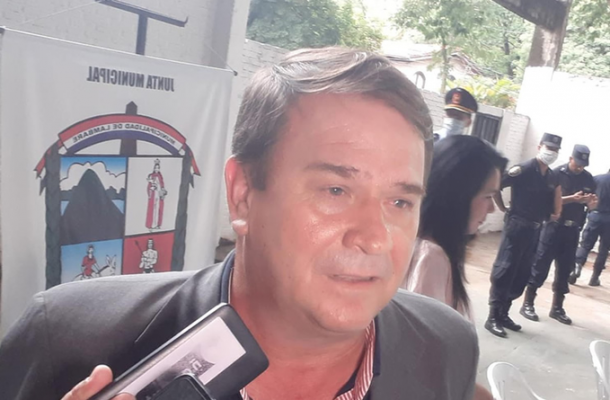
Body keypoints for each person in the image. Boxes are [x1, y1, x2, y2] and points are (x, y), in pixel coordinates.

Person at [0, 48, 479, 400]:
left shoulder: (447, 347)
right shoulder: (65, 338)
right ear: (243, 194)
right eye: (336, 191)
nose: (374, 237)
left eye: (400, 201)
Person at [402, 135, 507, 400]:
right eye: (487, 196)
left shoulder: (421, 246)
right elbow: (422, 363)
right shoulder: (431, 258)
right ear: (457, 196)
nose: (492, 209)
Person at [485, 133, 563, 338]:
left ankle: (504, 313)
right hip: (517, 225)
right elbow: (497, 185)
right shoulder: (524, 169)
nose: (551, 152)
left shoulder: (551, 176)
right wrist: (503, 208)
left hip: (536, 229)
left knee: (522, 272)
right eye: (549, 148)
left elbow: (553, 203)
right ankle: (492, 316)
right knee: (506, 268)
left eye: (555, 150)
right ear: (540, 146)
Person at [520, 145, 597, 325]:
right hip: (553, 227)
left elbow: (590, 205)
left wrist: (591, 204)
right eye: (577, 163)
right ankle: (528, 303)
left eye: (583, 165)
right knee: (540, 265)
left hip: (572, 230)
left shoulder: (588, 178)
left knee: (565, 269)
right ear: (571, 159)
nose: (580, 167)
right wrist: (572, 199)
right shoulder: (556, 174)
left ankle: (557, 308)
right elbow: (546, 201)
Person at [570, 168, 610, 287]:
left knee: (585, 244)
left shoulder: (597, 179)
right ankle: (595, 277)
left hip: (595, 215)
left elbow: (587, 195)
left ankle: (577, 267)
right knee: (604, 249)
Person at [146, 158, 166, 230]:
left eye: (158, 168)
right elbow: (149, 186)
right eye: (156, 168)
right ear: (154, 168)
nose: (157, 169)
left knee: (158, 210)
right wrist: (151, 189)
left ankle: (157, 224)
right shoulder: (151, 176)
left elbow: (162, 185)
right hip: (153, 195)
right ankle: (151, 225)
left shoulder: (160, 176)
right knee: (152, 210)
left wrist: (162, 191)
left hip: (158, 195)